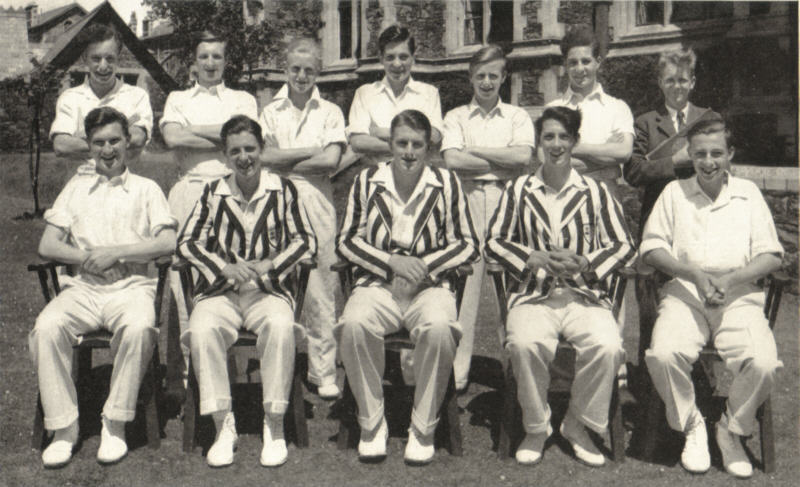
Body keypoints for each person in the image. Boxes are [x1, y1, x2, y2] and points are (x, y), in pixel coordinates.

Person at [486, 106, 635, 467]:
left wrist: (586, 262)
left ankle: (576, 424)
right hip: (534, 295)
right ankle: (537, 426)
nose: (556, 145)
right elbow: (493, 242)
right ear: (539, 142)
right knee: (525, 343)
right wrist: (532, 257)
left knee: (608, 346)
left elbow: (624, 245)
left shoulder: (595, 191)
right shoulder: (519, 189)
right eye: (548, 137)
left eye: (563, 137)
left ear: (575, 141)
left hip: (583, 295)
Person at [30, 107, 177, 468]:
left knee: (140, 327)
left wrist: (117, 253)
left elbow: (167, 242)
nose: (108, 150)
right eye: (99, 143)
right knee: (46, 327)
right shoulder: (76, 188)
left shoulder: (146, 189)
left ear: (128, 142)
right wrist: (87, 258)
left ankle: (115, 423)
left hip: (132, 288)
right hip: (83, 289)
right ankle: (65, 428)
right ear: (89, 146)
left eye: (114, 141)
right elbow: (48, 245)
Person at [641, 118, 783, 479]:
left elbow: (770, 255)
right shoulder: (674, 192)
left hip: (738, 296)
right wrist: (693, 274)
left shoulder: (748, 194)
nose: (708, 162)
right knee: (664, 354)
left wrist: (729, 279)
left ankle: (730, 429)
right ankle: (692, 424)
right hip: (685, 295)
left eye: (716, 153)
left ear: (730, 154)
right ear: (689, 155)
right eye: (700, 153)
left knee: (763, 362)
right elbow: (652, 248)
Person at [336, 110, 478, 465]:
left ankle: (423, 426)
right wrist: (390, 263)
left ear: (429, 148)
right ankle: (372, 423)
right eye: (402, 143)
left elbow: (468, 243)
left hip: (430, 286)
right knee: (353, 323)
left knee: (441, 327)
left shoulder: (446, 182)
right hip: (378, 284)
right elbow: (347, 241)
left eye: (417, 144)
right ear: (390, 145)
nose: (409, 152)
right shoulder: (367, 180)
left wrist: (424, 266)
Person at [177, 115, 315, 468]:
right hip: (221, 292)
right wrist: (223, 267)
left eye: (250, 149)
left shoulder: (283, 190)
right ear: (225, 155)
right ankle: (223, 424)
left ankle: (274, 422)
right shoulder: (213, 192)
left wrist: (271, 265)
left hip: (267, 291)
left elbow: (305, 241)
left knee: (281, 327)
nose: (244, 158)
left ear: (262, 149)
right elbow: (187, 242)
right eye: (235, 151)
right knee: (202, 328)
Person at [160, 31, 259, 372]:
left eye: (217, 56)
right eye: (204, 56)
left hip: (232, 191)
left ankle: (232, 369)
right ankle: (191, 371)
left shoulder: (243, 99)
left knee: (234, 273)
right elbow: (172, 137)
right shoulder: (178, 97)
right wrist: (223, 135)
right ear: (194, 62)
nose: (210, 63)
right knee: (186, 276)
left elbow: (244, 138)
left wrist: (193, 130)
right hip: (189, 190)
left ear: (226, 61)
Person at [441, 45, 535, 391]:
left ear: (504, 77)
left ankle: (515, 371)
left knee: (507, 287)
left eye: (493, 75)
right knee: (464, 287)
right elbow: (453, 161)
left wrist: (475, 150)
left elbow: (522, 158)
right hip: (465, 200)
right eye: (480, 75)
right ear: (470, 77)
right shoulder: (456, 117)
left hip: (505, 201)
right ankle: (457, 372)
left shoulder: (516, 116)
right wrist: (500, 161)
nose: (486, 82)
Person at [258, 38, 346, 399]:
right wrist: (311, 150)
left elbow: (330, 161)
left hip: (316, 198)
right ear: (285, 69)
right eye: (295, 69)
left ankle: (323, 370)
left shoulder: (330, 112)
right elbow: (264, 158)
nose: (301, 76)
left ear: (318, 72)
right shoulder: (270, 111)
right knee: (275, 280)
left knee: (321, 285)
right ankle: (278, 365)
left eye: (309, 70)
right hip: (275, 198)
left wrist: (286, 158)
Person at [623, 48, 719, 367]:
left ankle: (702, 379)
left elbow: (722, 168)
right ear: (660, 83)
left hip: (700, 223)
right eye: (670, 81)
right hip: (657, 225)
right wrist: (673, 162)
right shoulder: (646, 123)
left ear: (693, 82)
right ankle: (648, 379)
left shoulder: (709, 119)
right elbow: (634, 172)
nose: (677, 87)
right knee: (651, 302)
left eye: (683, 80)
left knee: (699, 298)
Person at [50, 25, 153, 174]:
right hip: (83, 182)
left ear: (118, 58)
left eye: (110, 58)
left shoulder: (137, 96)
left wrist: (84, 139)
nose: (103, 66)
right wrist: (118, 138)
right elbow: (61, 145)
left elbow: (137, 138)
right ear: (85, 59)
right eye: (96, 59)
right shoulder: (70, 98)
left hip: (125, 183)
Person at [545, 24, 634, 195]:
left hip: (606, 195)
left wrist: (573, 147)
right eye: (573, 63)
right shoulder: (552, 110)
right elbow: (548, 161)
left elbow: (624, 152)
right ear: (565, 65)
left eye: (586, 61)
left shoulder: (617, 107)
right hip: (563, 196)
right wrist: (607, 157)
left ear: (598, 62)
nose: (580, 69)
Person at [347, 25, 444, 166]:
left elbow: (434, 136)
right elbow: (358, 142)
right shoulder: (364, 93)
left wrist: (379, 132)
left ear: (413, 58)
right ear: (381, 58)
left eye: (403, 57)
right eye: (390, 57)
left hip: (417, 174)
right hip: (377, 174)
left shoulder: (429, 93)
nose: (397, 64)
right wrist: (413, 142)